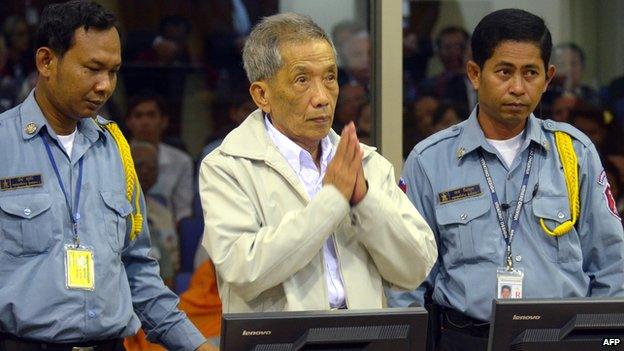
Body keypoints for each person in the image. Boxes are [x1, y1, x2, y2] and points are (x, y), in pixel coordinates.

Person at [391, 8, 624, 351]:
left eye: (531, 73)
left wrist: (606, 341)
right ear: (474, 73)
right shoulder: (430, 160)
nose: (517, 87)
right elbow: (406, 280)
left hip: (564, 339)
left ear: (548, 78)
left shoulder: (574, 153)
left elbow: (611, 263)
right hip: (466, 338)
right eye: (504, 72)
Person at [0, 1, 214, 350]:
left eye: (113, 71)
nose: (105, 86)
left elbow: (139, 271)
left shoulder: (116, 150)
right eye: (93, 68)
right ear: (46, 61)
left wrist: (197, 346)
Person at [198, 13, 437, 313]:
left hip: (365, 336)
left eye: (330, 77)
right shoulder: (227, 166)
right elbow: (244, 270)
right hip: (277, 342)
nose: (322, 97)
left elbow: (416, 267)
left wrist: (364, 199)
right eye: (302, 80)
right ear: (262, 95)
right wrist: (333, 200)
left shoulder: (365, 162)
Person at [124, 92, 194, 223]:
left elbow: (183, 212)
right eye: (138, 116)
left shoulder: (181, 160)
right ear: (129, 122)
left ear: (164, 121)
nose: (145, 122)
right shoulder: (114, 157)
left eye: (151, 115)